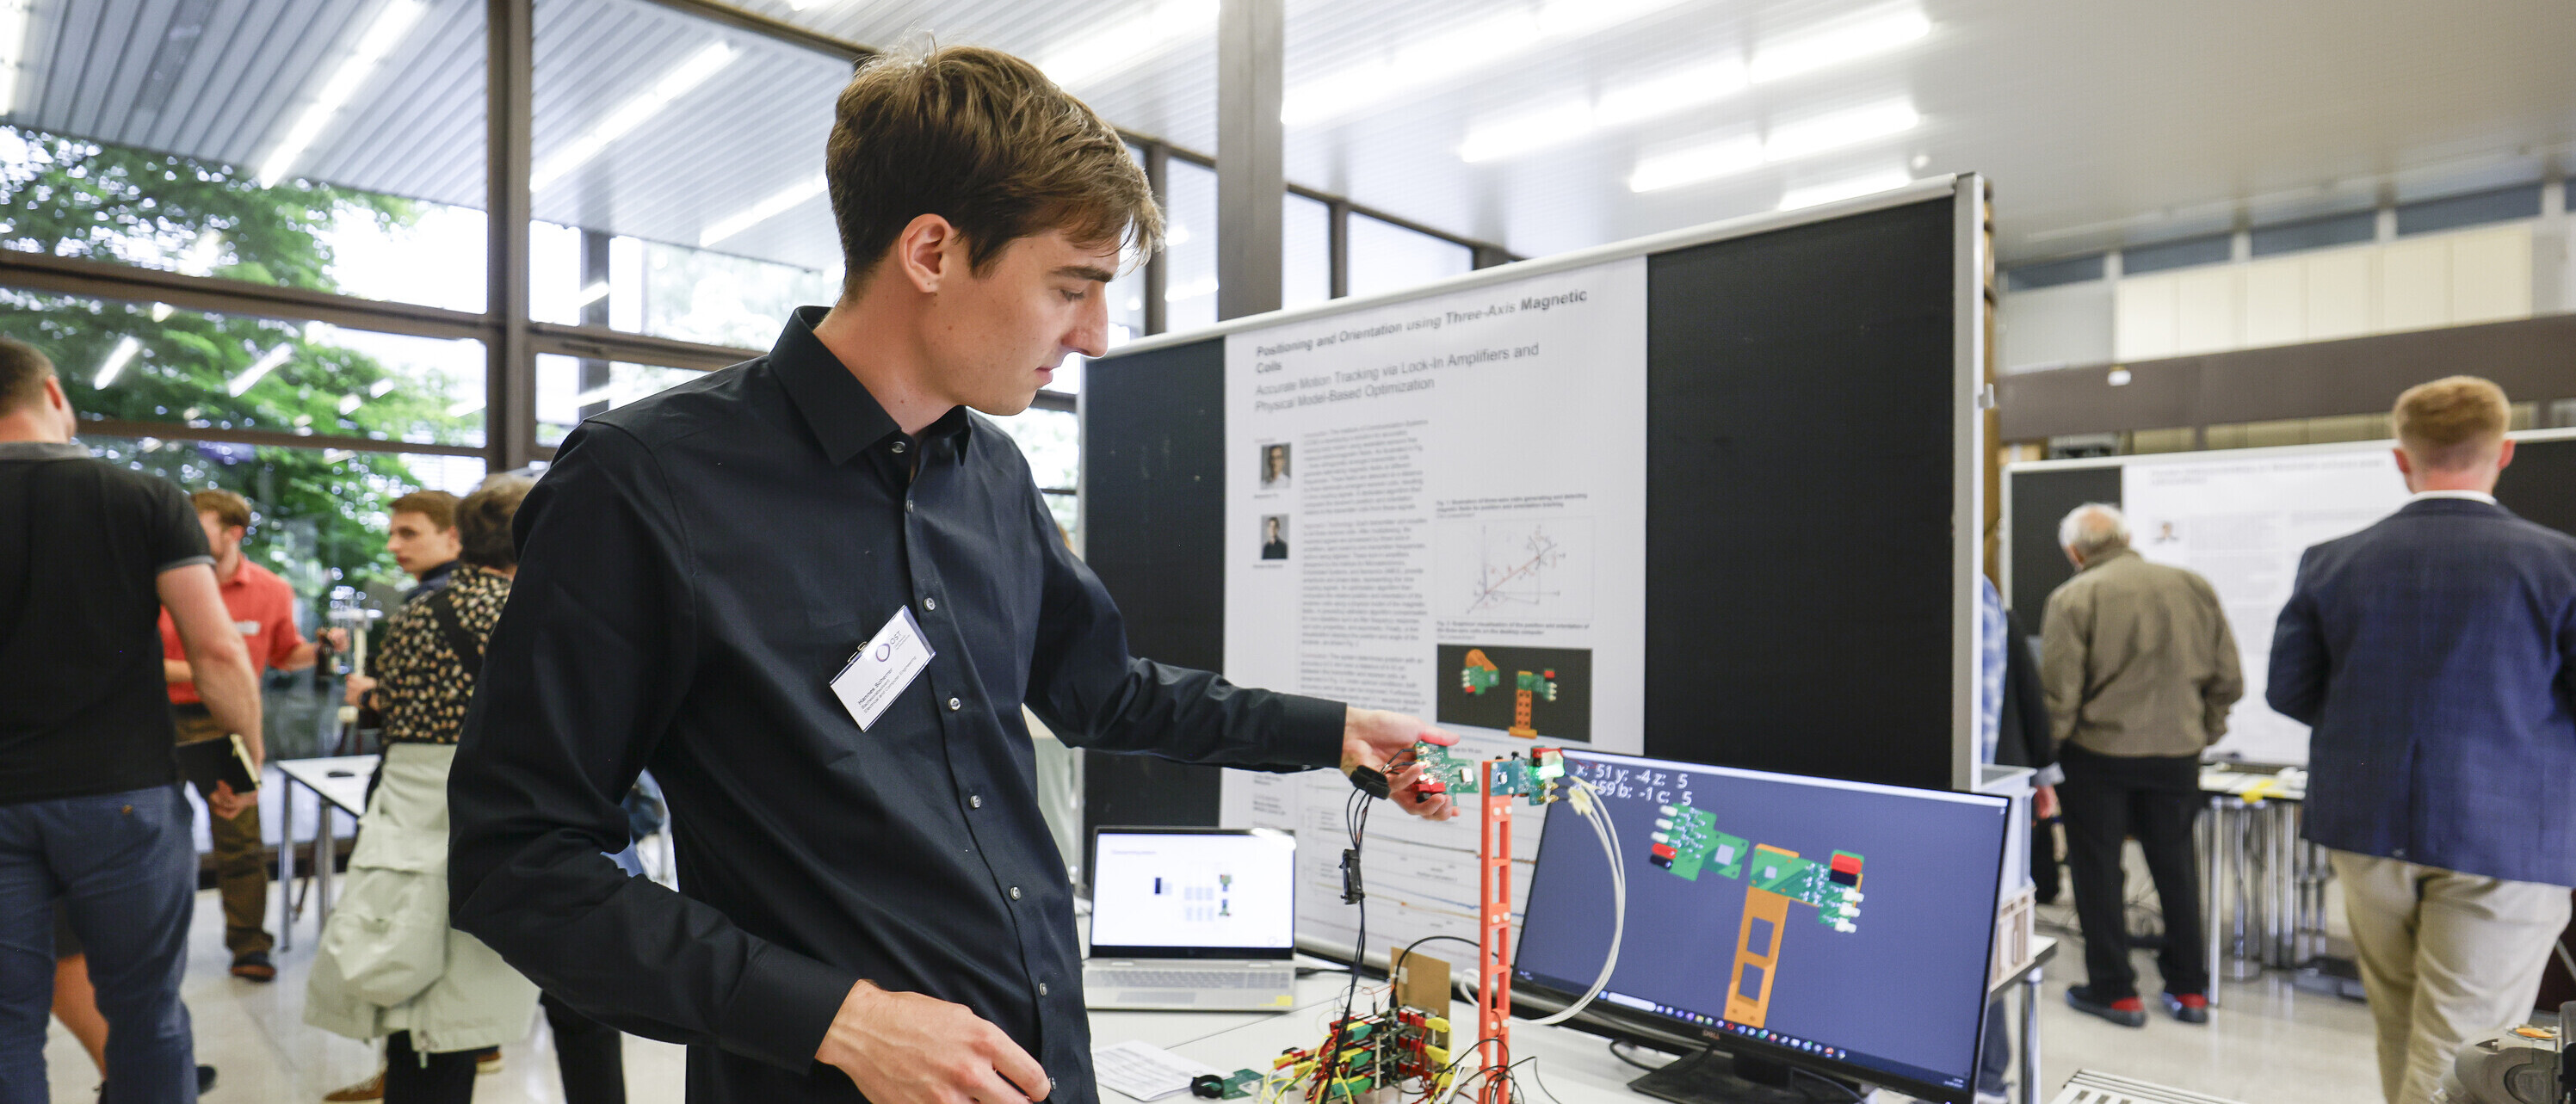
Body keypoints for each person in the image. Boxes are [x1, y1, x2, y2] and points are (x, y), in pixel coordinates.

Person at [445, 45, 1458, 1104]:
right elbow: (518, 861)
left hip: (1040, 1067)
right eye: (1070, 286)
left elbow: (1100, 690)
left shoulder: (993, 475)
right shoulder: (647, 482)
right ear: (931, 250)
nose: (1095, 336)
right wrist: (839, 1017)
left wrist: (1328, 730)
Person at [2269, 376, 2576, 1104]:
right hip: (2504, 836)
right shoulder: (2558, 563)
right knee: (2464, 1048)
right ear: (2503, 451)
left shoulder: (2332, 560)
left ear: (2400, 458)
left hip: (2365, 828)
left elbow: (2289, 689)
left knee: (2402, 1024)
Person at [0, 335, 262, 1101]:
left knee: (6, 1024)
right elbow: (217, 650)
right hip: (122, 795)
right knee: (146, 1012)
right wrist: (246, 757)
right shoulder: (142, 497)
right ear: (53, 392)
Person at [308, 477, 608, 1104]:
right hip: (519, 816)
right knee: (580, 997)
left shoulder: (414, 610)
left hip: (414, 821)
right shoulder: (531, 610)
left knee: (427, 1010)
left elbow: (391, 711)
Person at [2039, 503, 2239, 1029]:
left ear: (2074, 552)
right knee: (2177, 868)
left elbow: (2059, 696)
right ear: (2126, 539)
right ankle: (2189, 989)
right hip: (2177, 756)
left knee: (2097, 872)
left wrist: (2046, 758)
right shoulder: (2192, 585)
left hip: (2097, 758)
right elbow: (2228, 678)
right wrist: (2203, 732)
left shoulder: (2073, 597)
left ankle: (2116, 991)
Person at [158, 487, 344, 982]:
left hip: (229, 721)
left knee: (240, 840)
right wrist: (213, 669)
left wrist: (321, 650)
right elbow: (135, 659)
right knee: (154, 837)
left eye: (198, 525)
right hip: (158, 719)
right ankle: (151, 948)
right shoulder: (160, 582)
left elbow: (285, 654)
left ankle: (249, 948)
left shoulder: (271, 588)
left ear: (233, 532)